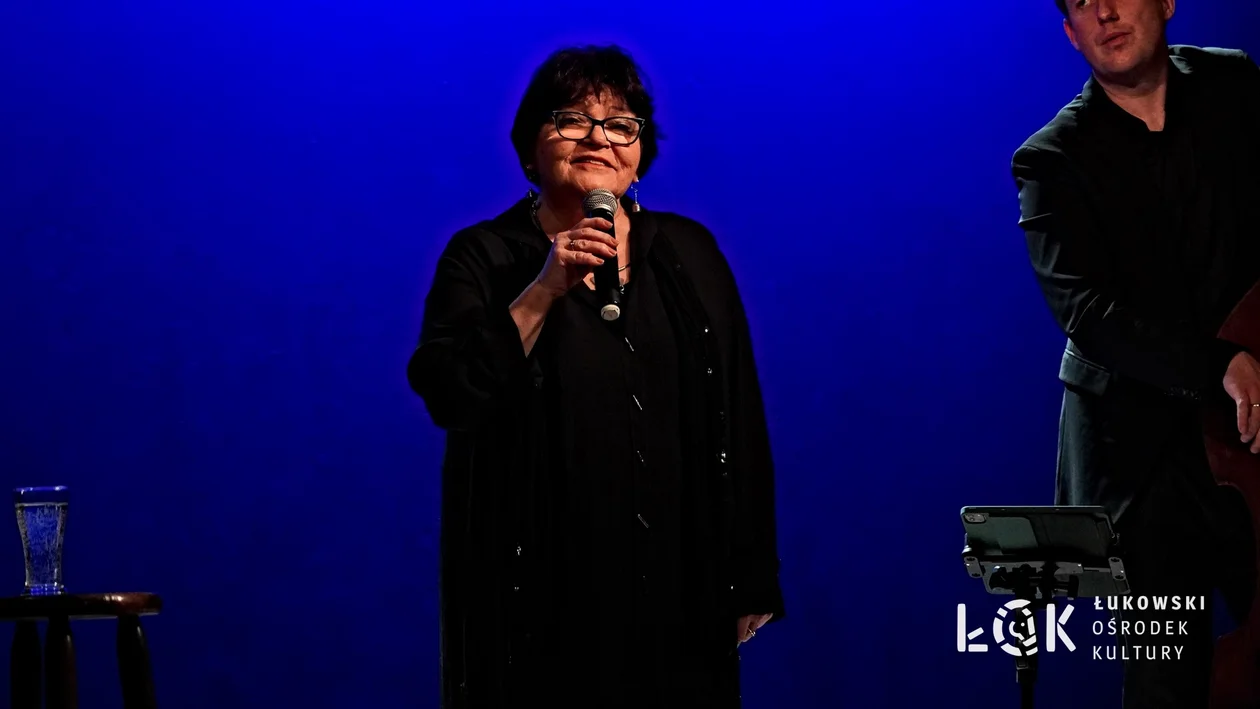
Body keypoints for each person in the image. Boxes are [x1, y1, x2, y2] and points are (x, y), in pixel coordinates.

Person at [406, 45, 785, 709]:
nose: (598, 138)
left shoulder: (690, 252)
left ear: (639, 154)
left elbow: (739, 413)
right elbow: (453, 392)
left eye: (620, 124)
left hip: (681, 583)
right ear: (531, 149)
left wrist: (750, 571)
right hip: (538, 591)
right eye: (573, 119)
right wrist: (544, 289)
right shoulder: (483, 257)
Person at [1012, 0, 1260, 706]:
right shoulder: (1050, 157)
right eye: (1082, 4)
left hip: (1251, 436)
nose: (1105, 13)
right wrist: (1217, 361)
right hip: (1141, 461)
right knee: (1164, 679)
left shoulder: (1233, 85)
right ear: (1070, 34)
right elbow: (1087, 314)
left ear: (1167, 3)